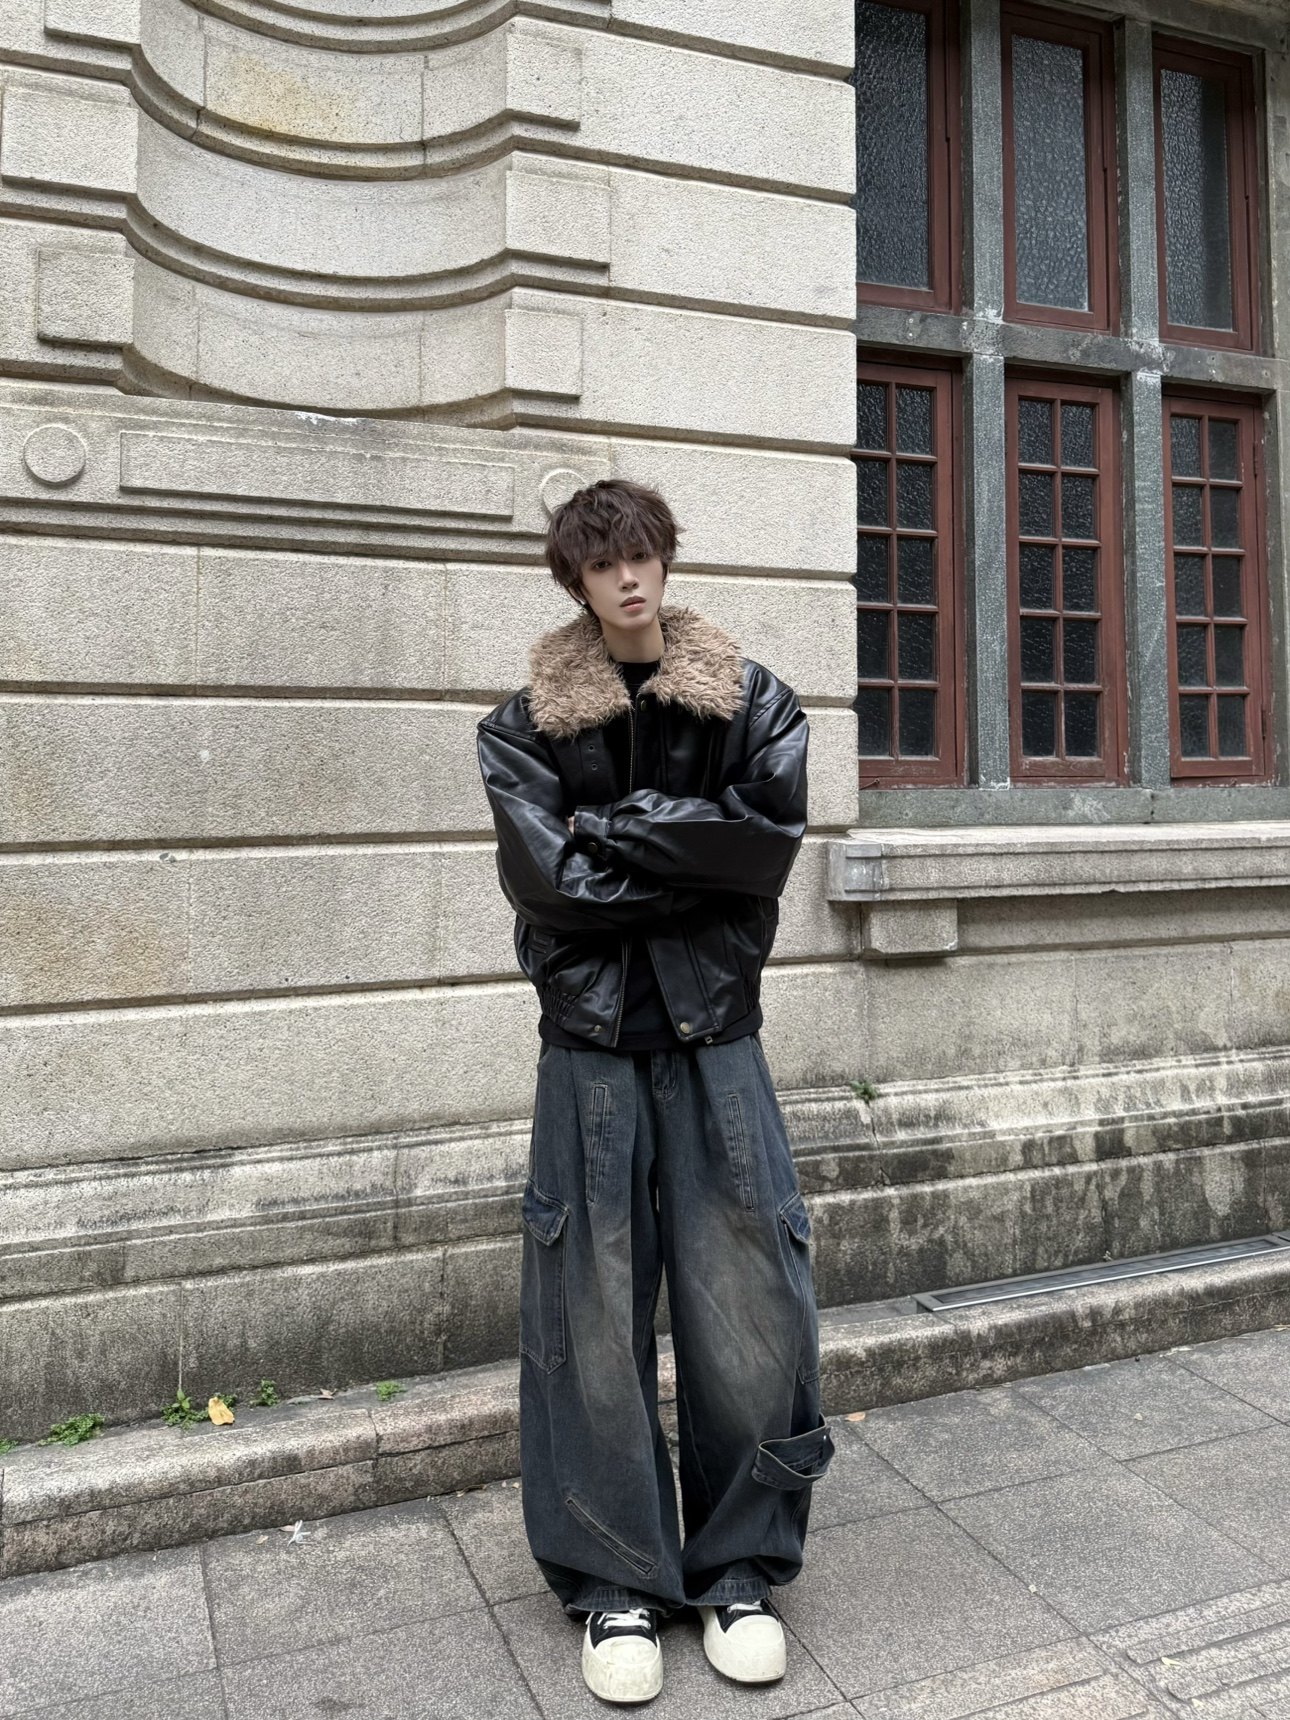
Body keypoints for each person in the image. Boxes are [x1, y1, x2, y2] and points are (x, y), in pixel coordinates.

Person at [475, 477, 834, 1703]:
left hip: (717, 1038)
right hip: (587, 1049)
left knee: (751, 1305)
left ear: (667, 561)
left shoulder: (753, 701)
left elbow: (761, 853)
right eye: (603, 562)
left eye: (643, 555)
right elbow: (548, 886)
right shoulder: (520, 729)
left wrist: (611, 827)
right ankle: (616, 1579)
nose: (628, 577)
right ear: (575, 579)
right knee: (586, 1313)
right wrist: (684, 846)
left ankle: (738, 1569)